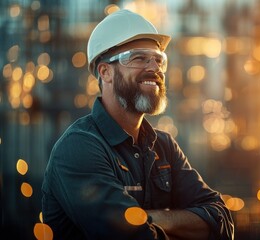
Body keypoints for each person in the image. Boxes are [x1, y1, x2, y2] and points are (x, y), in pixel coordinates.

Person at [41, 9, 234, 240]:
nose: (155, 68)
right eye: (139, 58)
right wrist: (181, 224)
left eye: (159, 60)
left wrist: (151, 218)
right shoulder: (79, 148)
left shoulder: (164, 146)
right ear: (106, 72)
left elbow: (222, 222)